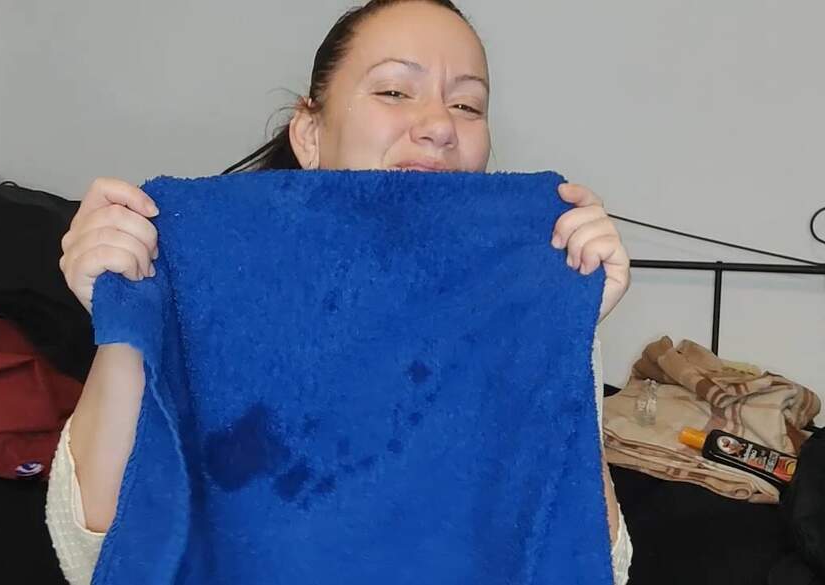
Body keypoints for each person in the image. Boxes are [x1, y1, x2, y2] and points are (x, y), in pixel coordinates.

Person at [45, 1, 633, 583]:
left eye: (467, 105)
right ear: (309, 133)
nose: (439, 125)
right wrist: (125, 321)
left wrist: (566, 332)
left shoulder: (519, 306)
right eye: (395, 91)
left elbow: (596, 563)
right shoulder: (206, 286)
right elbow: (98, 550)